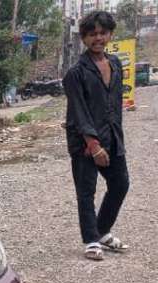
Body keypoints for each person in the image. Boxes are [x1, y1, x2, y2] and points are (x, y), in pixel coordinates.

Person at [62, 11, 130, 261]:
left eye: (102, 33)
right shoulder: (75, 73)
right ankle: (91, 240)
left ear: (110, 34)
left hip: (112, 136)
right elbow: (79, 111)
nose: (98, 38)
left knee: (121, 184)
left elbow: (114, 103)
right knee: (86, 191)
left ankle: (101, 230)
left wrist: (113, 138)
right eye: (92, 34)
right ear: (84, 38)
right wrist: (93, 144)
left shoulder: (115, 64)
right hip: (84, 142)